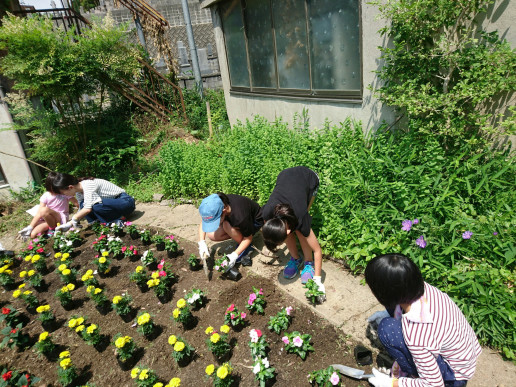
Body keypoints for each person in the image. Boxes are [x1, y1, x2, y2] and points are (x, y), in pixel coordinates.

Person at [365, 254, 481, 387]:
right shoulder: (421, 288)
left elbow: (434, 384)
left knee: (387, 330)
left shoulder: (417, 334)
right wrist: (387, 312)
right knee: (391, 311)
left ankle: (416, 374)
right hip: (464, 354)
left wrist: (393, 383)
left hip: (453, 376)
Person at [261, 166, 325, 300]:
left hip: (309, 178)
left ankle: (308, 263)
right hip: (285, 175)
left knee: (302, 232)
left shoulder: (300, 215)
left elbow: (318, 251)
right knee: (288, 230)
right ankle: (296, 259)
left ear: (288, 230)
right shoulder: (267, 212)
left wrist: (318, 281)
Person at [47, 172, 135, 231]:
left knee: (95, 205)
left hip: (125, 202)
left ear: (70, 187)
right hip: (113, 204)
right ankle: (99, 223)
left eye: (64, 192)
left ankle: (117, 220)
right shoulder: (78, 191)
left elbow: (88, 209)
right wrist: (73, 222)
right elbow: (82, 208)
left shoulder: (88, 185)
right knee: (83, 204)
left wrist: (73, 221)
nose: (65, 195)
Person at [198, 192, 263, 270]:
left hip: (254, 221)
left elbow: (248, 238)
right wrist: (202, 242)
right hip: (235, 221)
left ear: (224, 210)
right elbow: (204, 221)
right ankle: (237, 235)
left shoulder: (240, 217)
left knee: (226, 225)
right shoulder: (215, 203)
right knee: (212, 235)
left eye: (216, 220)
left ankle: (246, 248)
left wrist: (234, 255)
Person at [18, 172, 79, 239]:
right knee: (33, 235)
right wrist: (30, 227)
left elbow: (76, 203)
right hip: (49, 219)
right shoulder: (46, 195)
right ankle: (49, 230)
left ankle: (52, 229)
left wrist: (80, 215)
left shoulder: (64, 193)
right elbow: (39, 212)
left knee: (44, 210)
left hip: (60, 217)